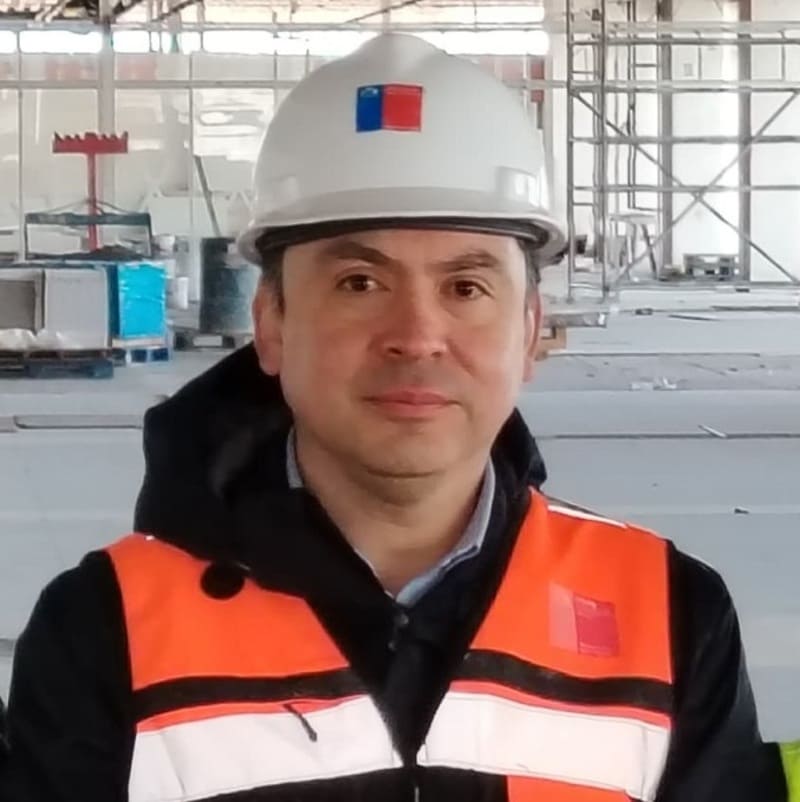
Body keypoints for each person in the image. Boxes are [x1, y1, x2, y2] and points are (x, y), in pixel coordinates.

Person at [0, 32, 791, 802]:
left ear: (529, 331)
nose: (416, 336)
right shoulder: (106, 630)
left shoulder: (667, 613)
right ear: (271, 325)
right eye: (359, 283)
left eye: (466, 288)